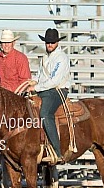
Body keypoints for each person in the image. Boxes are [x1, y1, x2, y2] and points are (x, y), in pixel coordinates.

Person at [25, 28, 71, 164]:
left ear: (57, 42)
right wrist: (35, 81)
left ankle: (57, 152)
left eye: (52, 42)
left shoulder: (61, 58)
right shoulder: (45, 58)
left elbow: (55, 81)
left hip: (58, 90)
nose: (49, 45)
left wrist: (36, 87)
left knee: (45, 113)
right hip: (45, 89)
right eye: (47, 42)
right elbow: (41, 76)